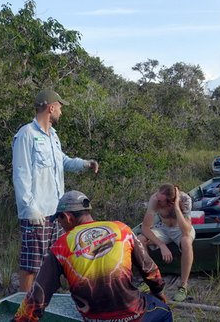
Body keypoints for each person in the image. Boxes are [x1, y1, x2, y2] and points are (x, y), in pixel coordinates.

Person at [13, 190, 172, 322]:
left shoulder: (59, 246)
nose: (59, 224)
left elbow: (36, 299)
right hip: (134, 315)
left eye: (59, 219)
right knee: (164, 311)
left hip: (94, 318)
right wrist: (158, 292)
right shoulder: (121, 229)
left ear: (68, 217)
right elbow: (150, 269)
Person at [12, 89, 99, 292]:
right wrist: (30, 208)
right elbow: (21, 174)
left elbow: (63, 161)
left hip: (56, 212)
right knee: (31, 265)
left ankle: (45, 300)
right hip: (37, 213)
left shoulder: (53, 136)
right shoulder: (26, 135)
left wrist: (85, 164)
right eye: (60, 107)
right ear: (51, 108)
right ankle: (25, 307)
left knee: (54, 260)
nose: (61, 111)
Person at [137, 184, 194, 302]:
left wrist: (177, 208)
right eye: (157, 197)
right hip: (163, 228)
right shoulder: (155, 199)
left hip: (181, 228)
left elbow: (186, 230)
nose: (157, 200)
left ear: (170, 202)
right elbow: (145, 228)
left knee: (186, 241)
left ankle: (183, 286)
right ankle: (149, 279)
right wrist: (161, 245)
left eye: (160, 200)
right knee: (140, 239)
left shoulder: (185, 199)